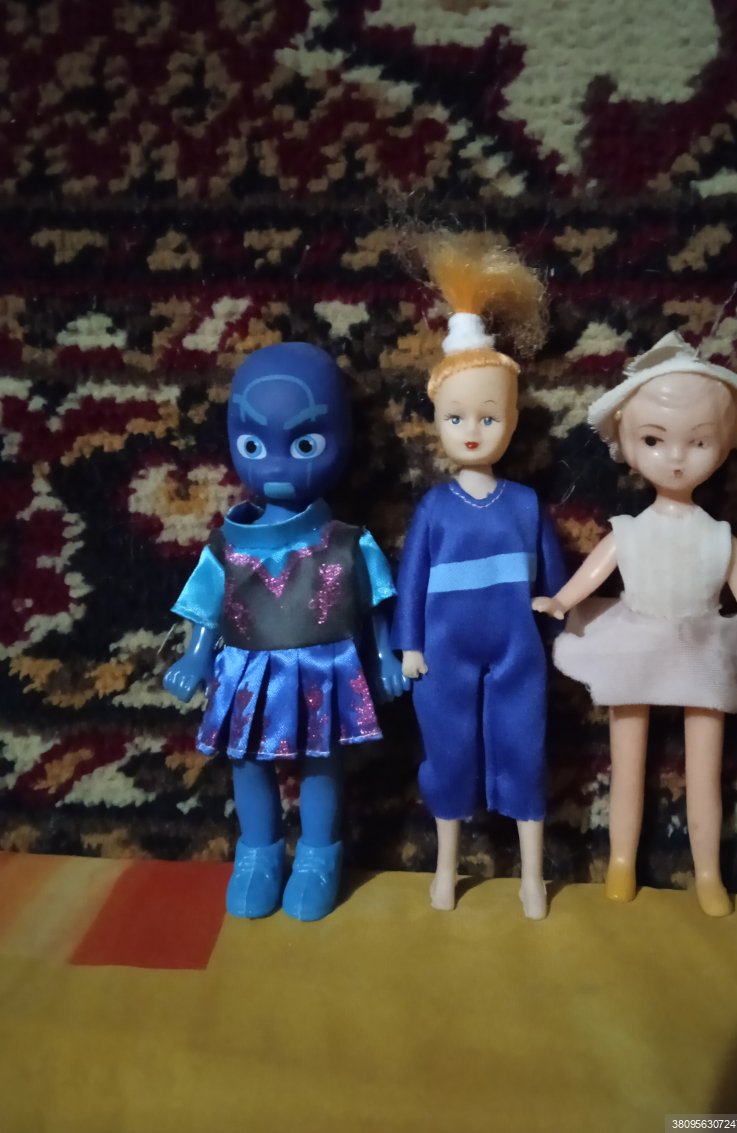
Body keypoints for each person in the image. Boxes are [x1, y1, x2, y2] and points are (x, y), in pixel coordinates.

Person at [533, 331, 737, 917]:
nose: (677, 457)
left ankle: (708, 871)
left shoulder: (719, 537)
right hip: (635, 639)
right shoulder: (629, 531)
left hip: (700, 643)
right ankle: (620, 861)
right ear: (627, 444)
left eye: (699, 441)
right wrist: (560, 602)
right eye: (654, 440)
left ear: (724, 444)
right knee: (627, 765)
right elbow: (592, 574)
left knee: (704, 772)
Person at [164, 343, 406, 921]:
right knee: (247, 759)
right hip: (247, 668)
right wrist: (195, 656)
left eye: (304, 446)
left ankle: (319, 853)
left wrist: (387, 657)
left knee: (323, 761)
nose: (275, 466)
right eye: (253, 446)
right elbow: (206, 608)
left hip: (325, 667)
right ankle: (259, 852)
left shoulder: (347, 541)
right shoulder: (227, 544)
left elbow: (375, 606)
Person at [392, 233, 568, 920]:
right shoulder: (434, 509)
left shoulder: (524, 504)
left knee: (524, 747)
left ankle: (532, 876)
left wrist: (562, 614)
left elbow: (553, 576)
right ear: (436, 420)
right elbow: (412, 580)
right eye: (457, 417)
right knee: (448, 752)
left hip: (517, 648)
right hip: (442, 651)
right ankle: (446, 867)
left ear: (513, 420)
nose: (473, 430)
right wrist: (409, 643)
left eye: (489, 417)